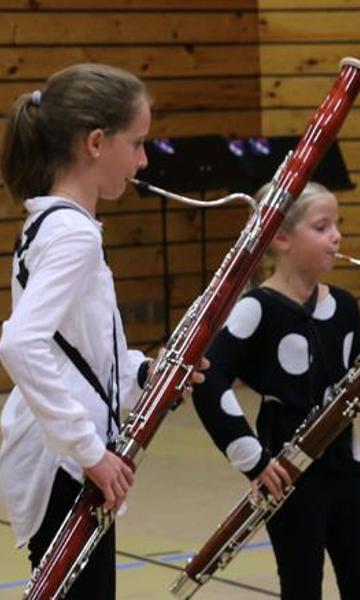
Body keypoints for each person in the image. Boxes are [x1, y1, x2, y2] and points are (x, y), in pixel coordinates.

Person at [0, 63, 204, 598]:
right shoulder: (73, 235)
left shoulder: (56, 222)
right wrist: (89, 450)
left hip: (61, 455)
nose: (142, 160)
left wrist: (146, 373)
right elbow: (21, 343)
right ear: (95, 142)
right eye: (137, 144)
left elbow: (80, 354)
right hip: (66, 464)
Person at [192, 181, 360, 599]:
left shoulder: (345, 307)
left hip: (345, 470)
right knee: (301, 587)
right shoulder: (256, 308)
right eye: (321, 227)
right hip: (288, 477)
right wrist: (252, 458)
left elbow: (355, 382)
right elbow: (208, 383)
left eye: (337, 225)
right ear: (280, 237)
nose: (336, 236)